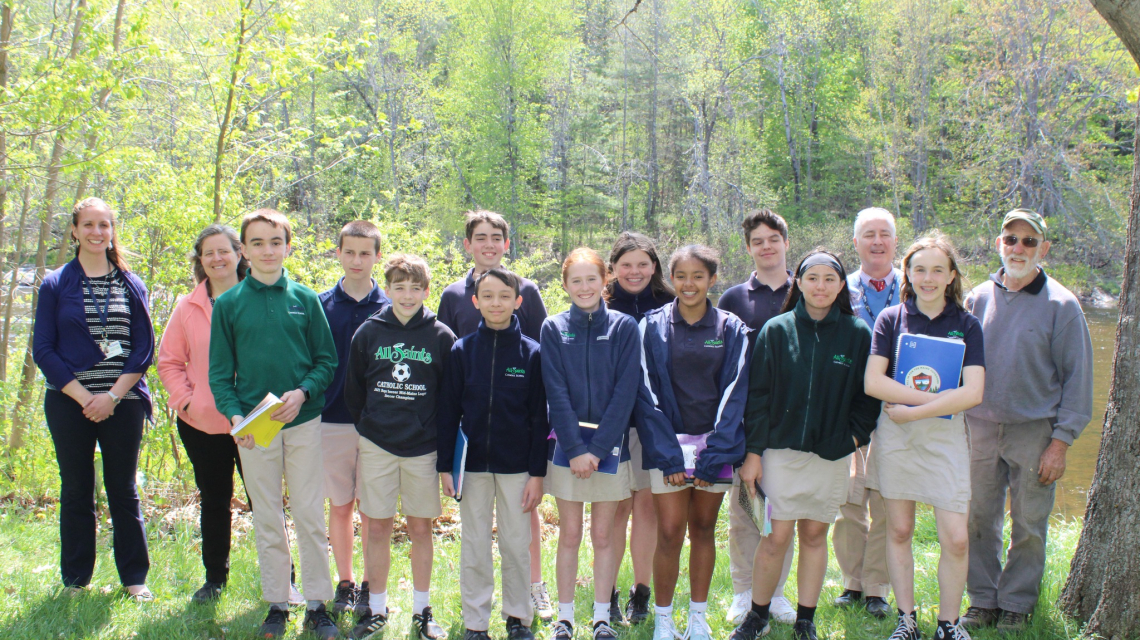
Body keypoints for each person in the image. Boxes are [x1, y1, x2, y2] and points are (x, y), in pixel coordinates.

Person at [729, 249, 880, 640]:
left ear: (842, 285)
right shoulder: (776, 330)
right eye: (812, 278)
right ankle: (757, 616)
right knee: (775, 536)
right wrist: (754, 454)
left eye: (830, 279)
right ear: (798, 282)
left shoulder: (857, 333)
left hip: (831, 455)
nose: (821, 286)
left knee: (814, 536)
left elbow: (868, 401)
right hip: (779, 453)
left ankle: (805, 620)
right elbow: (757, 397)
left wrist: (850, 439)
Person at [959, 209, 1093, 633]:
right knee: (978, 518)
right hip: (978, 427)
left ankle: (1017, 603)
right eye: (1011, 239)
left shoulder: (1062, 305)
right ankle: (982, 600)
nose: (1019, 248)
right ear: (998, 244)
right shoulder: (977, 297)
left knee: (1030, 524)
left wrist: (1061, 442)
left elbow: (1078, 381)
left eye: (1029, 241)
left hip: (1035, 432)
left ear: (1043, 249)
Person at [208, 209, 339, 639]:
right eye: (258, 243)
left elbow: (326, 361)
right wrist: (235, 418)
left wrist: (303, 391)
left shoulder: (305, 299)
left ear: (288, 246)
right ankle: (278, 603)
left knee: (307, 513)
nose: (267, 250)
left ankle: (318, 604)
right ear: (243, 250)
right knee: (267, 515)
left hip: (302, 421)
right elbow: (220, 374)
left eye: (276, 242)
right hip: (254, 429)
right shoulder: (228, 304)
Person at [864, 235, 986, 640]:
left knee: (955, 538)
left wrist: (918, 408)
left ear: (952, 275)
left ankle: (948, 625)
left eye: (938, 270)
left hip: (944, 439)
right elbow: (872, 382)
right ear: (908, 274)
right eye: (920, 269)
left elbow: (973, 393)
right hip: (897, 437)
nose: (928, 278)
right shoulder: (890, 319)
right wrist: (932, 398)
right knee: (898, 531)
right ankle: (907, 620)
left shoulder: (967, 324)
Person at [33, 197, 155, 601]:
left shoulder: (131, 284)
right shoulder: (55, 284)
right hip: (69, 401)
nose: (96, 232)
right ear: (74, 230)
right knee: (76, 488)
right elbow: (44, 349)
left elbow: (144, 348)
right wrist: (86, 396)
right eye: (88, 224)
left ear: (112, 231)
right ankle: (76, 581)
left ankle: (134, 579)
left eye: (104, 225)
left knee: (123, 488)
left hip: (123, 403)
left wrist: (113, 396)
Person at [436, 210, 553, 620]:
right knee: (474, 545)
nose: (496, 303)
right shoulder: (461, 350)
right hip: (472, 464)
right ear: (475, 301)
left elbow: (541, 416)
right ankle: (475, 620)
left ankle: (519, 616)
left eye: (505, 297)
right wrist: (444, 465)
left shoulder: (532, 354)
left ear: (518, 301)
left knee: (516, 544)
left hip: (517, 464)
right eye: (488, 297)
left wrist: (537, 471)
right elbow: (448, 409)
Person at [636, 245, 750, 640]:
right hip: (666, 449)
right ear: (671, 279)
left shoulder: (730, 329)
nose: (689, 284)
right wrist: (668, 455)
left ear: (712, 279)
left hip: (714, 450)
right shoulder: (651, 326)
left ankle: (697, 619)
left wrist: (712, 455)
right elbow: (644, 393)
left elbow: (736, 393)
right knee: (669, 531)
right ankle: (664, 620)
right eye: (681, 276)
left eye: (698, 276)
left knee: (703, 528)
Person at [343, 254, 456, 640]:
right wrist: (371, 429)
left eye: (415, 288)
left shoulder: (441, 336)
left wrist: (440, 448)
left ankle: (422, 610)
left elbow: (449, 399)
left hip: (423, 448)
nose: (407, 295)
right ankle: (375, 608)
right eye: (399, 287)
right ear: (387, 289)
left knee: (421, 528)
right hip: (378, 444)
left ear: (427, 291)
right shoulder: (370, 333)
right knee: (376, 527)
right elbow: (354, 390)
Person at [542, 249, 642, 640]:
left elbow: (625, 393)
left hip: (609, 452)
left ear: (606, 281)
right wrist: (575, 449)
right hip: (567, 450)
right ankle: (564, 619)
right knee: (569, 534)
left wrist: (597, 450)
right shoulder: (553, 327)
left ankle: (601, 618)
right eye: (576, 281)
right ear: (565, 285)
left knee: (603, 536)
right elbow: (556, 392)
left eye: (591, 279)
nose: (584, 287)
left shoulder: (623, 328)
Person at [157, 224, 251, 603]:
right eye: (208, 253)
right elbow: (169, 363)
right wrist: (188, 401)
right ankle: (215, 579)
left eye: (223, 250)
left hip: (253, 422)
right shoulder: (187, 306)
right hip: (202, 423)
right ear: (200, 260)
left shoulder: (258, 299)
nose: (217, 258)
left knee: (265, 502)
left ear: (239, 253)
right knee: (214, 498)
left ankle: (285, 579)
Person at [716, 209, 797, 626]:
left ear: (786, 242)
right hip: (745, 422)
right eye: (757, 241)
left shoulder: (805, 290)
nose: (766, 247)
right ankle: (744, 591)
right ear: (748, 248)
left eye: (773, 239)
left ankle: (778, 593)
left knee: (782, 511)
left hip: (790, 422)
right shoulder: (733, 299)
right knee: (746, 510)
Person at [601, 231, 675, 624]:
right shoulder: (597, 302)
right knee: (615, 509)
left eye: (642, 264)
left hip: (652, 423)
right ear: (612, 268)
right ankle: (607, 592)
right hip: (609, 423)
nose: (634, 272)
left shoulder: (669, 304)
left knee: (647, 507)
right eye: (626, 265)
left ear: (654, 267)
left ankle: (641, 592)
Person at [318, 220, 390, 618]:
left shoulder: (392, 307)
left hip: (379, 425)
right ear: (339, 254)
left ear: (377, 256)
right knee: (341, 505)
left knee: (373, 509)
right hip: (332, 420)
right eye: (350, 252)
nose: (357, 260)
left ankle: (369, 584)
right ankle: (344, 582)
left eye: (366, 252)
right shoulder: (321, 304)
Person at [833, 207, 900, 618]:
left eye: (885, 234)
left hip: (898, 411)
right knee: (850, 503)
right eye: (868, 235)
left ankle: (878, 586)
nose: (877, 241)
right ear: (855, 243)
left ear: (895, 242)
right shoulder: (840, 290)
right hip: (850, 410)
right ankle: (851, 582)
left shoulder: (916, 288)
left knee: (888, 502)